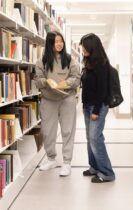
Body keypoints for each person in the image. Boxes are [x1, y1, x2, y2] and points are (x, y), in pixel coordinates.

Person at [34, 31, 80, 176]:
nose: (59, 44)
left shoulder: (70, 59)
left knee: (67, 130)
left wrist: (65, 83)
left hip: (67, 99)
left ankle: (67, 162)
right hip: (48, 99)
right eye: (55, 42)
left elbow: (76, 78)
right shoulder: (42, 61)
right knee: (48, 131)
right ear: (49, 43)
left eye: (61, 41)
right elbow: (38, 79)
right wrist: (46, 82)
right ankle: (51, 158)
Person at [80, 33, 115, 183]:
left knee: (95, 138)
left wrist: (95, 111)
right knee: (90, 138)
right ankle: (94, 167)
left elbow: (102, 90)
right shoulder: (88, 62)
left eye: (84, 46)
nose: (82, 49)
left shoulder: (101, 64)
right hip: (87, 105)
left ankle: (107, 172)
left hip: (97, 107)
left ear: (92, 47)